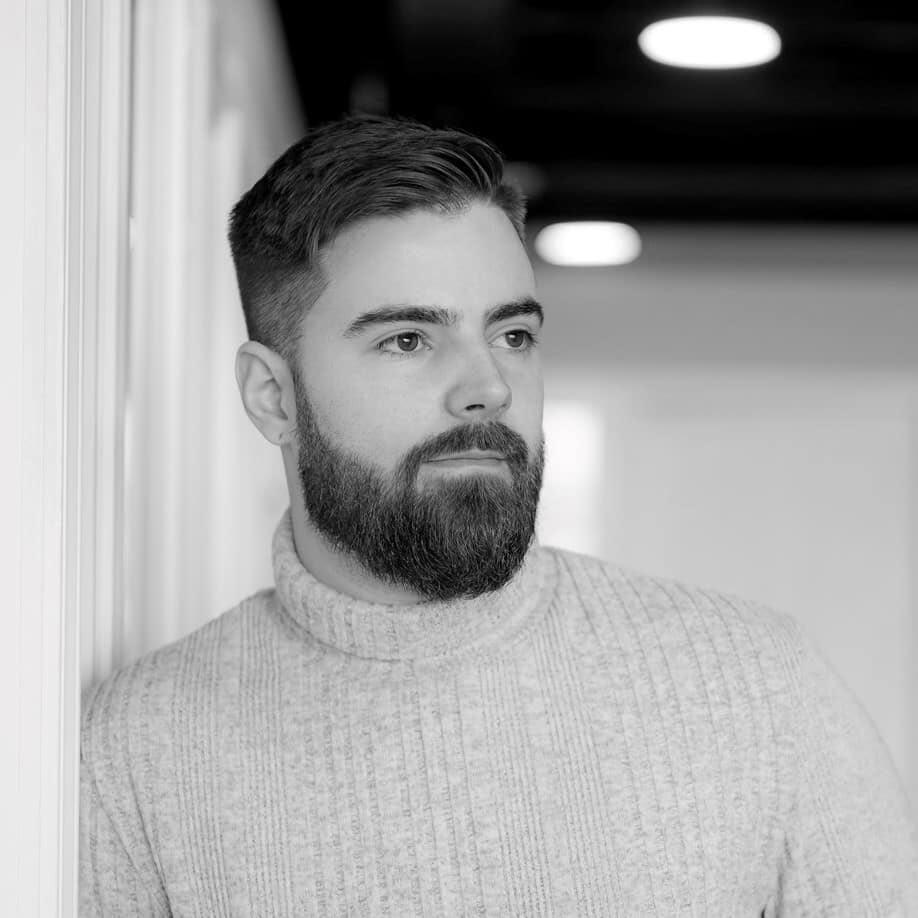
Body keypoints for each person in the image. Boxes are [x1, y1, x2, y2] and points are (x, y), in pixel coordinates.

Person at [79, 113, 918, 916]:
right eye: (408, 339)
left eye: (512, 335)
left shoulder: (756, 686)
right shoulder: (138, 752)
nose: (488, 387)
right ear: (272, 396)